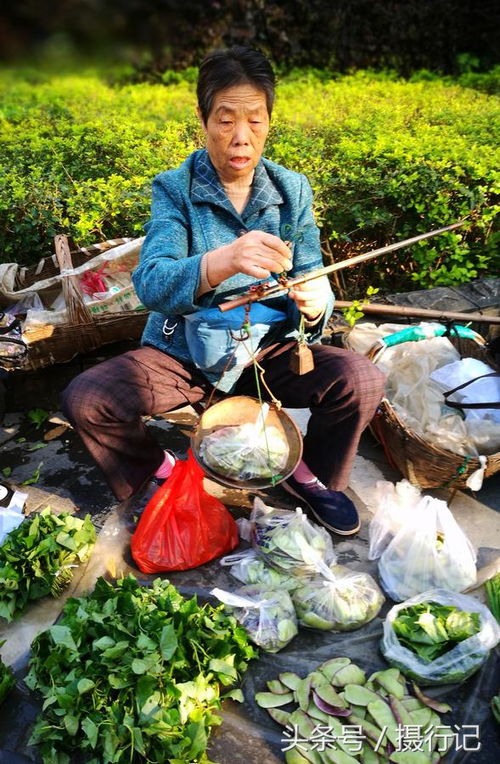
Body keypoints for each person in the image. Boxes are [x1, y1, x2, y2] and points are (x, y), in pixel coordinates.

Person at [61, 46, 385, 536]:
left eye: (255, 120)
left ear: (270, 120)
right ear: (203, 117)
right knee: (86, 398)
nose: (240, 138)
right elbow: (152, 283)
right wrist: (220, 262)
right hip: (185, 349)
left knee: (360, 381)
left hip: (267, 350)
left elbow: (312, 267)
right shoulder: (174, 188)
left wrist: (318, 300)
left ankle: (310, 476)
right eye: (226, 119)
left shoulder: (291, 190)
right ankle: (160, 473)